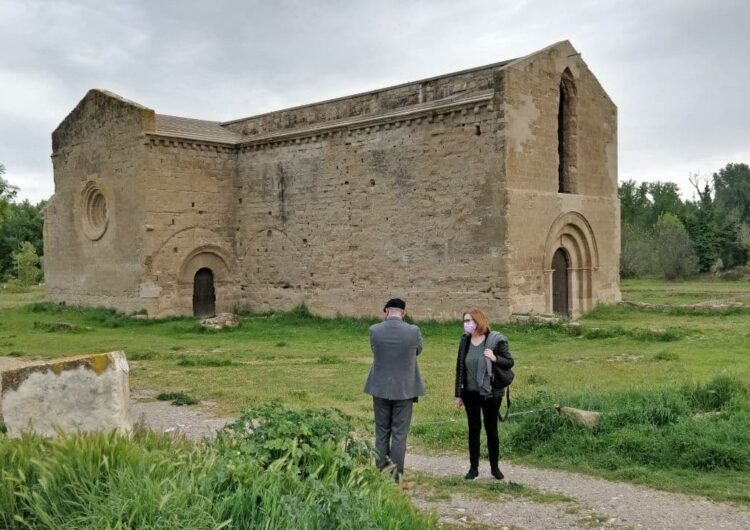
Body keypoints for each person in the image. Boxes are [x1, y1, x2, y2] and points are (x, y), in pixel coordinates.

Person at [364, 297, 425, 483]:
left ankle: (381, 472)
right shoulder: (413, 331)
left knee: (382, 431)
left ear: (385, 311)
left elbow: (375, 350)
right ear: (404, 313)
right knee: (399, 434)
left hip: (380, 387)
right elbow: (418, 350)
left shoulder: (374, 330)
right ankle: (396, 475)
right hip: (404, 389)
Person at [454, 307, 514, 480]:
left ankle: (495, 468)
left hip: (490, 394)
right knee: (473, 430)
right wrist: (459, 394)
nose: (466, 324)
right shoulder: (464, 341)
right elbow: (460, 368)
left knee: (491, 430)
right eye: (464, 321)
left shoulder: (495, 340)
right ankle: (473, 468)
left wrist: (495, 358)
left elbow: (509, 362)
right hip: (470, 394)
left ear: (478, 321)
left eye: (469, 321)